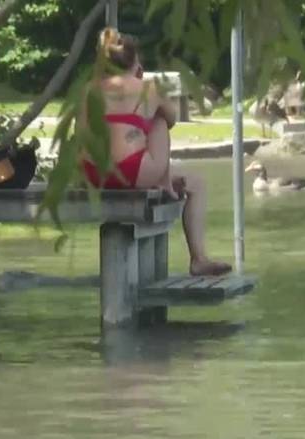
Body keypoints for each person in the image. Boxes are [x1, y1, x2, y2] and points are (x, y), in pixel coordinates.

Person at [82, 29, 231, 277]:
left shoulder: (88, 90)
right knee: (160, 122)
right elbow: (172, 118)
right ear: (135, 61)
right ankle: (198, 258)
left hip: (93, 174)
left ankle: (164, 179)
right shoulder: (147, 88)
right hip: (130, 172)